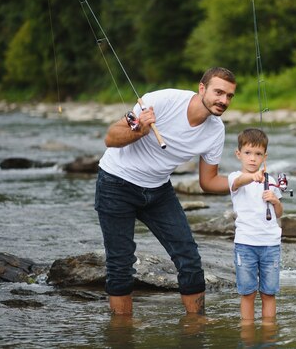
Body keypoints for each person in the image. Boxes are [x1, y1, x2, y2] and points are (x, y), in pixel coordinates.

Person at [94, 66, 236, 316]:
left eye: (229, 96)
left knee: (188, 256)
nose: (224, 101)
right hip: (116, 184)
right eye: (219, 92)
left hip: (158, 190)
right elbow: (111, 138)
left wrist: (245, 181)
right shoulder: (161, 100)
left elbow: (208, 181)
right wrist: (139, 130)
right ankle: (121, 331)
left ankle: (196, 325)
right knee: (120, 263)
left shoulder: (216, 130)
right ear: (201, 88)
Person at [228, 128, 284, 323]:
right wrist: (252, 177)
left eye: (258, 154)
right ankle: (248, 333)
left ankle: (269, 333)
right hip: (245, 245)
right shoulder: (235, 177)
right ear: (239, 154)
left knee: (269, 293)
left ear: (264, 157)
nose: (252, 158)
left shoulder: (272, 181)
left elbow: (279, 213)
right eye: (248, 153)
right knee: (247, 293)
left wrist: (275, 201)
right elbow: (238, 182)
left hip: (270, 245)